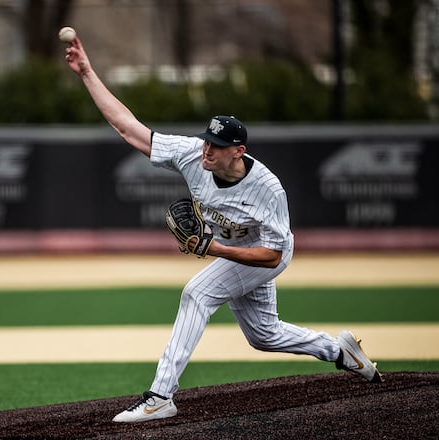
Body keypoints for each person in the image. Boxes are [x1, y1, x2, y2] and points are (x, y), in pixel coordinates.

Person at [63, 35, 382, 424]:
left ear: (238, 151)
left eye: (216, 145)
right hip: (237, 248)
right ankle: (339, 352)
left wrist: (215, 250)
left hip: (266, 252)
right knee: (263, 335)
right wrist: (87, 72)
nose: (206, 149)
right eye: (206, 141)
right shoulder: (192, 156)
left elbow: (273, 256)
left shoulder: (267, 189)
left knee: (196, 294)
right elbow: (130, 129)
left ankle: (161, 396)